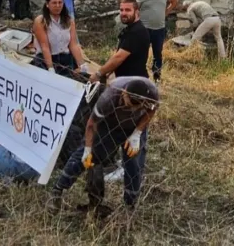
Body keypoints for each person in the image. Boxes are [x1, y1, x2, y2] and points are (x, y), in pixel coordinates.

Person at [49, 76, 159, 214]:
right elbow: (91, 124)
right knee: (89, 155)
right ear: (124, 93)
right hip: (109, 122)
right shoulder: (109, 96)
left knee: (134, 163)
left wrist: (137, 133)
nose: (130, 110)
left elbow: (152, 109)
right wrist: (88, 149)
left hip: (135, 126)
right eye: (128, 105)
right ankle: (58, 190)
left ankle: (129, 207)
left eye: (135, 107)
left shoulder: (151, 92)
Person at [89, 0, 150, 82]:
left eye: (128, 10)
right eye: (121, 10)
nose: (123, 13)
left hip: (133, 84)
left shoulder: (136, 31)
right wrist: (109, 71)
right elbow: (119, 55)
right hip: (128, 81)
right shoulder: (130, 29)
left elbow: (119, 57)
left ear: (136, 12)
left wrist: (98, 74)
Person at [31, 0, 88, 76]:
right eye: (54, 3)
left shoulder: (69, 20)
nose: (57, 6)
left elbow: (73, 45)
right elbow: (44, 46)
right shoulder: (41, 21)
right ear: (47, 4)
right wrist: (50, 67)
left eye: (60, 2)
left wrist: (82, 64)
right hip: (46, 59)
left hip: (65, 59)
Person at [136, 0, 180, 83]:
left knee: (157, 54)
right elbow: (136, 8)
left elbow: (174, 1)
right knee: (142, 53)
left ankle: (157, 77)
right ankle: (141, 76)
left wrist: (167, 12)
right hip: (145, 29)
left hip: (159, 29)